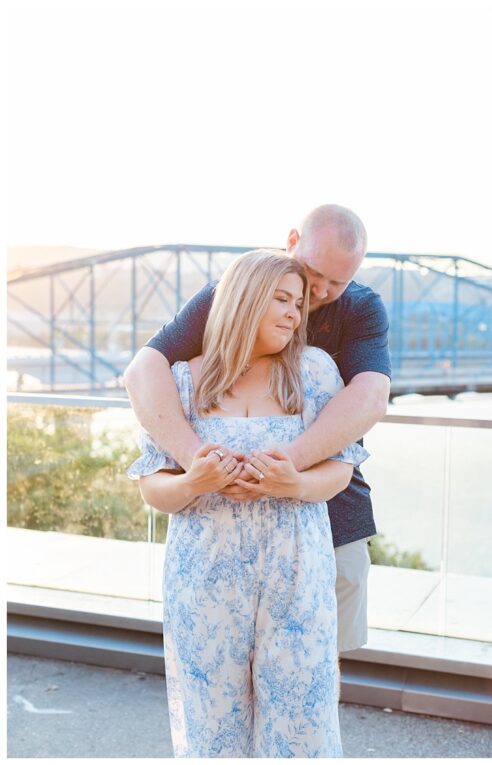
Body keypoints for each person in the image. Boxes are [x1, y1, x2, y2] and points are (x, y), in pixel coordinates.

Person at [124, 205, 390, 667]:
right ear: (292, 241)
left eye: (338, 282)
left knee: (324, 644)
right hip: (224, 514)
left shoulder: (361, 307)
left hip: (332, 495)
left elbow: (371, 396)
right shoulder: (230, 295)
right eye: (315, 275)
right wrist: (193, 458)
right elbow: (144, 368)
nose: (321, 292)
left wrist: (286, 463)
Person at [128, 250, 366, 756]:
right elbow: (153, 488)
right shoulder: (183, 382)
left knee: (302, 724)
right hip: (204, 579)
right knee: (210, 727)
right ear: (243, 299)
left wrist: (292, 484)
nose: (294, 315)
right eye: (281, 300)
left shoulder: (316, 372)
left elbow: (340, 471)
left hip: (297, 574)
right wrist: (195, 480)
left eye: (298, 304)